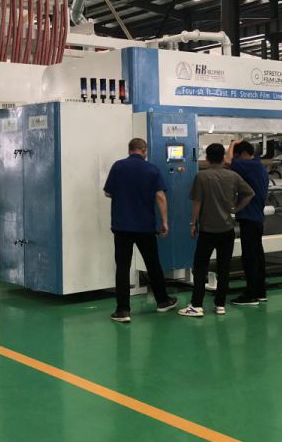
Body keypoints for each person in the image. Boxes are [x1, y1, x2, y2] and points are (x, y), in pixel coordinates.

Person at [103, 138, 179, 323]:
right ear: (144, 150)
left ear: (129, 150)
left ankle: (122, 311)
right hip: (145, 227)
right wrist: (164, 221)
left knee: (122, 267)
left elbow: (108, 192)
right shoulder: (152, 169)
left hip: (122, 227)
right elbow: (160, 196)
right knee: (153, 264)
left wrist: (124, 196)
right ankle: (163, 301)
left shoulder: (118, 167)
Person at [178, 143, 255, 317]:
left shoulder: (201, 176)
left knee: (200, 267)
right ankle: (220, 304)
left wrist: (192, 224)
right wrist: (236, 208)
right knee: (224, 267)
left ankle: (197, 305)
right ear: (223, 158)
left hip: (208, 230)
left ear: (207, 158)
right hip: (227, 230)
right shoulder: (233, 176)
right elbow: (250, 193)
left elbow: (197, 202)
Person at [226, 139, 270, 305]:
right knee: (257, 256)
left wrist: (232, 143)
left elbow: (227, 161)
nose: (237, 159)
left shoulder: (248, 165)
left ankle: (250, 295)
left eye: (238, 155)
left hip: (249, 217)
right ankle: (260, 291)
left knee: (250, 257)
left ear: (244, 154)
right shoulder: (259, 165)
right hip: (257, 217)